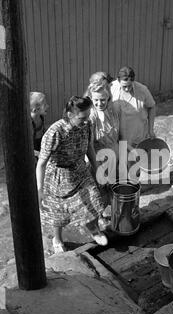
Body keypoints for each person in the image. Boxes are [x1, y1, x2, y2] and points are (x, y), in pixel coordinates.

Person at [36, 96, 108, 253]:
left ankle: (94, 229)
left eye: (87, 116)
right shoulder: (55, 132)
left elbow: (89, 148)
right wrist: (40, 189)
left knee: (94, 198)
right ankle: (58, 239)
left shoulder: (87, 125)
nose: (86, 120)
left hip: (80, 169)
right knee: (59, 212)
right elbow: (41, 163)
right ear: (70, 115)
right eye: (82, 117)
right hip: (58, 176)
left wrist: (98, 171)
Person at [111, 66, 156, 148]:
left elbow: (152, 107)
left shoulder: (142, 90)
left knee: (137, 158)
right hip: (119, 136)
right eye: (124, 86)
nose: (127, 89)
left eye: (130, 86)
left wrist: (151, 129)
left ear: (133, 81)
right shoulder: (111, 88)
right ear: (118, 81)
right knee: (122, 159)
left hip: (137, 135)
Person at [87, 82, 120, 185]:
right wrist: (98, 170)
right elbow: (89, 146)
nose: (99, 103)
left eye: (103, 100)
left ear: (108, 98)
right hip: (98, 161)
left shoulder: (113, 113)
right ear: (91, 99)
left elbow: (118, 137)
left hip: (114, 158)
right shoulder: (90, 118)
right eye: (96, 100)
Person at [30, 92, 49, 162]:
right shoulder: (29, 124)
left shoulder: (41, 117)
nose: (48, 106)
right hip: (31, 150)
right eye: (45, 105)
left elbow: (44, 132)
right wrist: (39, 154)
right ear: (35, 110)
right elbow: (25, 147)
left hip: (40, 145)